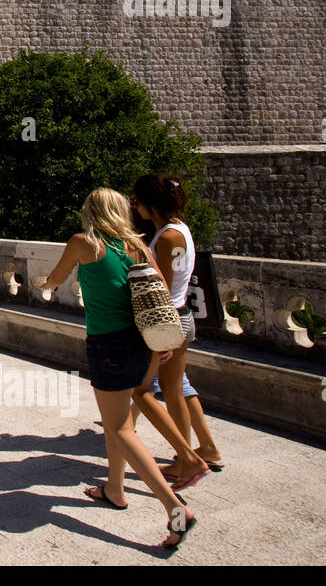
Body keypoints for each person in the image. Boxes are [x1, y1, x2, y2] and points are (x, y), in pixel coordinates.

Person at [38, 188, 197, 550]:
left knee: (120, 428)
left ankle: (176, 509)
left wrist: (43, 284)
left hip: (108, 344)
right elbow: (162, 291)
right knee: (117, 421)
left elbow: (55, 279)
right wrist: (165, 341)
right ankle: (115, 488)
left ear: (90, 212)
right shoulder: (139, 245)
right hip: (143, 342)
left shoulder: (84, 243)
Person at [131, 175, 224, 477]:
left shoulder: (168, 237)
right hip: (181, 315)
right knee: (179, 386)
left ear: (150, 204)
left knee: (160, 391)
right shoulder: (178, 229)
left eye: (138, 200)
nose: (135, 205)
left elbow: (162, 286)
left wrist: (161, 337)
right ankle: (207, 448)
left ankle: (185, 460)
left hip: (168, 319)